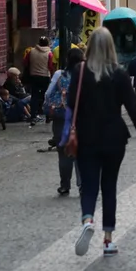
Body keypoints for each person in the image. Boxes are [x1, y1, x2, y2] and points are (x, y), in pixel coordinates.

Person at [68, 27, 136, 257]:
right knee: (109, 187)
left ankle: (87, 219)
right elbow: (134, 108)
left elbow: (69, 102)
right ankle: (107, 240)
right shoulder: (119, 73)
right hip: (115, 138)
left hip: (87, 137)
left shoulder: (79, 71)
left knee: (89, 184)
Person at [44, 47, 85, 194]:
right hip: (82, 118)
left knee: (63, 152)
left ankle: (64, 185)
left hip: (61, 117)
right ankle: (83, 185)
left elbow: (48, 94)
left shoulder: (59, 74)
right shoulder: (87, 75)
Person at [25, 36, 55, 120]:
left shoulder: (31, 51)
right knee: (46, 96)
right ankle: (47, 116)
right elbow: (50, 66)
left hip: (34, 76)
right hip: (45, 77)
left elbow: (25, 62)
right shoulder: (49, 53)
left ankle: (33, 115)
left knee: (34, 96)